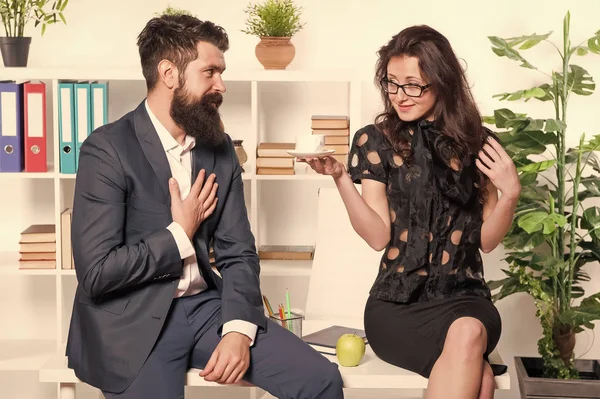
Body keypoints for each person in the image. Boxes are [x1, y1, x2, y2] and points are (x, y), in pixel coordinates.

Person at [66, 14, 343, 399]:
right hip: (130, 323)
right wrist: (179, 233)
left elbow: (239, 253)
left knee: (321, 380)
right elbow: (96, 274)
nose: (221, 85)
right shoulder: (107, 149)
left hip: (205, 308)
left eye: (221, 72)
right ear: (169, 73)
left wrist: (237, 329)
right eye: (210, 72)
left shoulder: (219, 148)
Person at [300, 25, 520, 399]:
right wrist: (340, 177)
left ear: (442, 83)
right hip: (395, 306)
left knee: (468, 334)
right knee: (478, 375)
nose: (400, 96)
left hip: (466, 299)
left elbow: (486, 241)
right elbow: (377, 236)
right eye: (392, 83)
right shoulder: (376, 140)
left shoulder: (478, 143)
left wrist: (510, 193)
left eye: (414, 85)